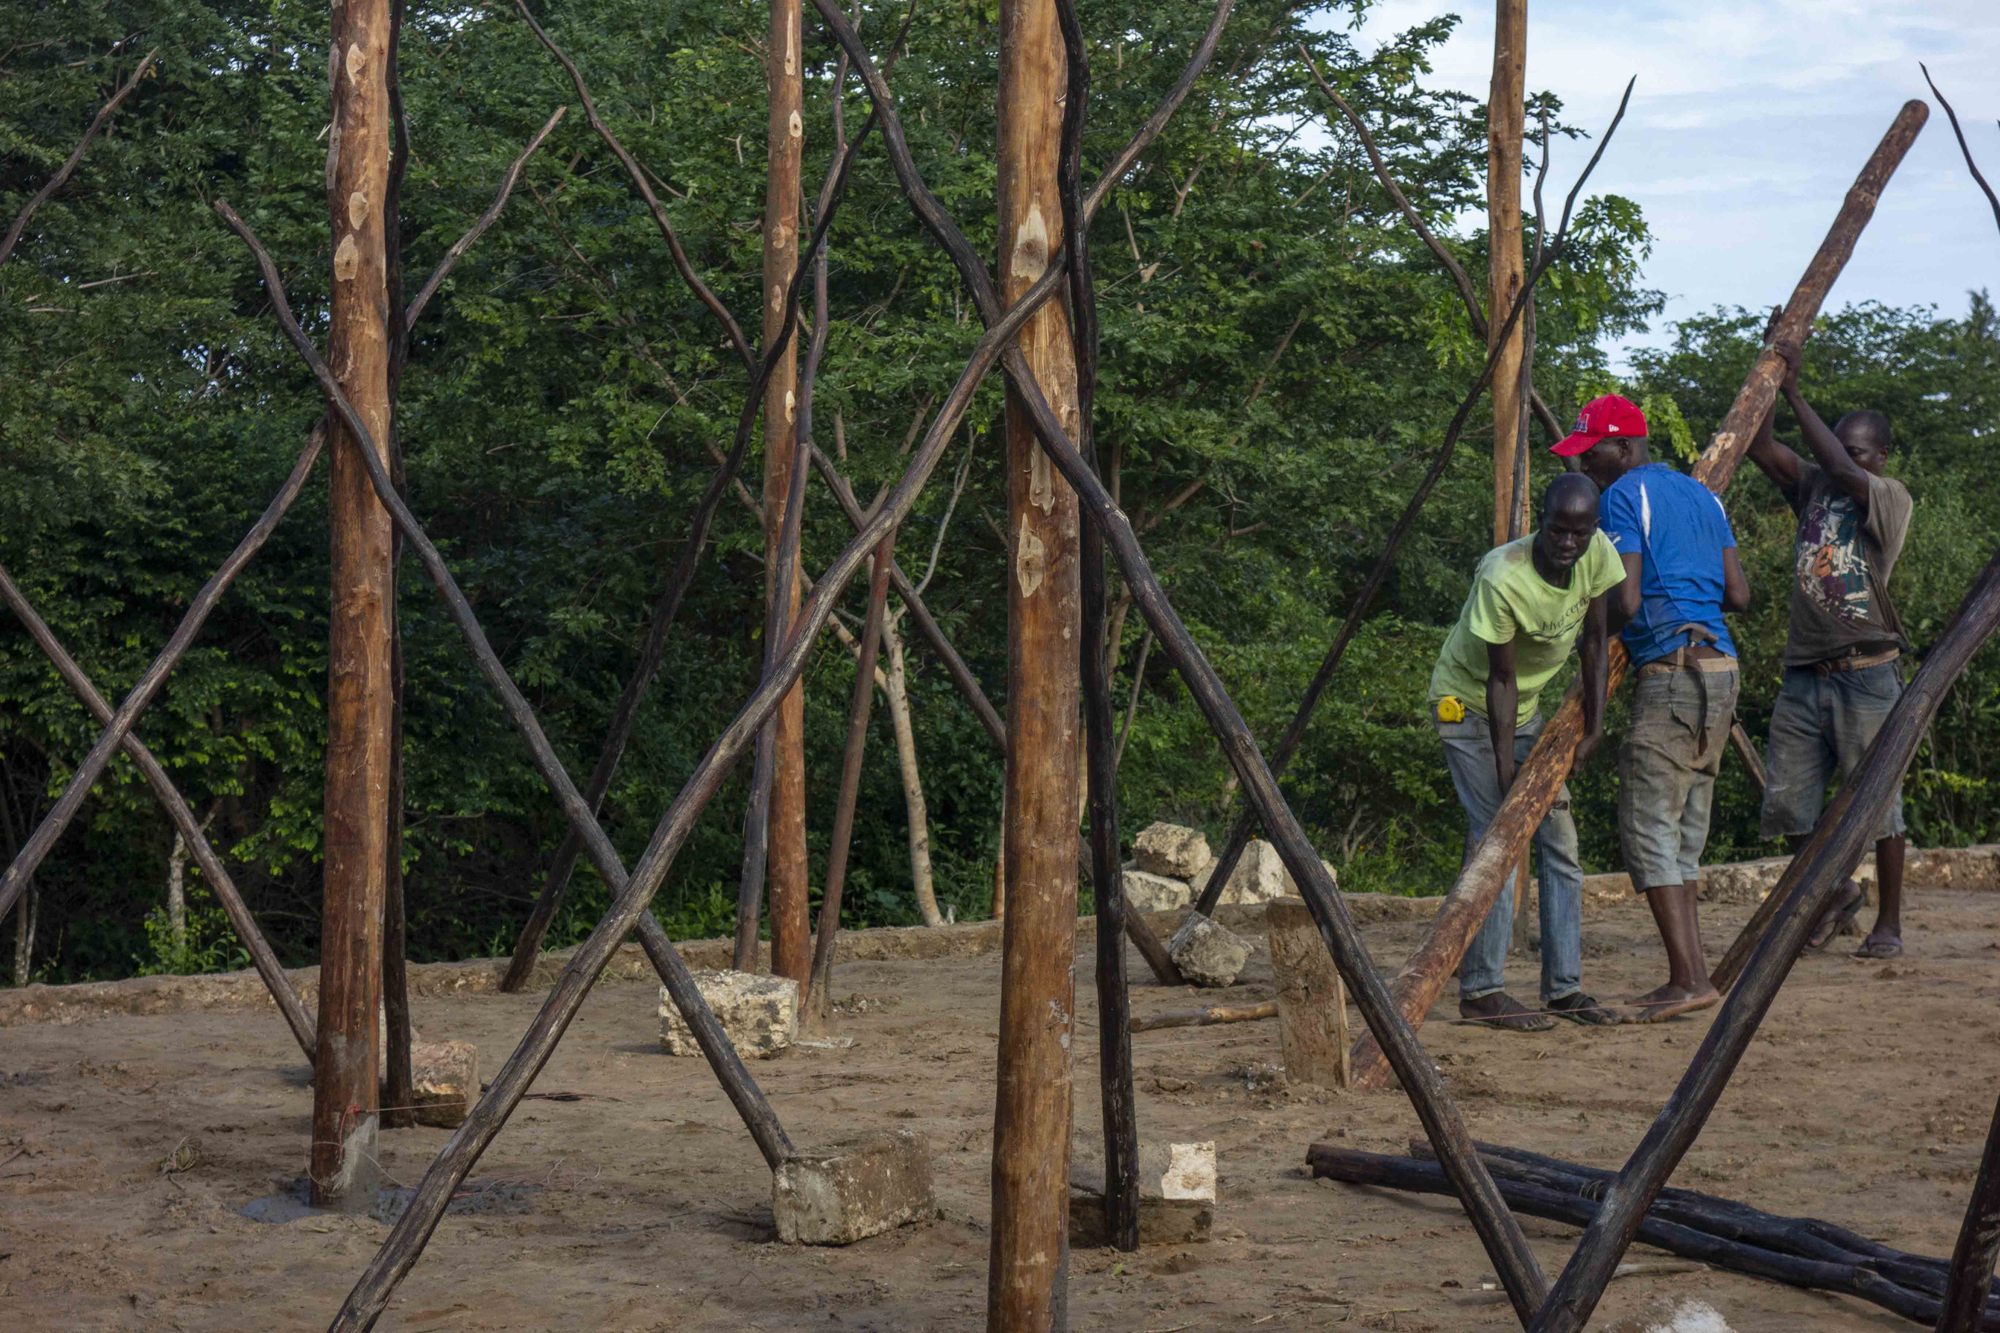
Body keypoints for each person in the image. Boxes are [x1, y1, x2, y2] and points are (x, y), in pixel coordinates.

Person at [1562, 394, 1751, 1021]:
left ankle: (1688, 978)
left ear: (1622, 448)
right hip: (1721, 670)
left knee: (1648, 828)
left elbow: (1628, 601)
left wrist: (1587, 634)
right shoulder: (1704, 496)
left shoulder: (1622, 495)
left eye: (1591, 454)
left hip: (1671, 672)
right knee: (1684, 834)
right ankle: (1693, 977)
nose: (1585, 468)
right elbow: (1739, 594)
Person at [1427, 473, 1625, 1030]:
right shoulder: (1502, 575)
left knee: (1561, 842)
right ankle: (1482, 991)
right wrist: (1505, 767)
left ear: (1593, 530)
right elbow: (1500, 680)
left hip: (1528, 710)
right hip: (1469, 706)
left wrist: (1593, 728)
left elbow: (1595, 640)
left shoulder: (1597, 555)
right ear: (1542, 522)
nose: (1568, 543)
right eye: (1558, 530)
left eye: (1579, 533)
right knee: (1499, 837)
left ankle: (1564, 989)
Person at [1747, 333, 1913, 958]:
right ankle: (1839, 891)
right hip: (1804, 671)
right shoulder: (1814, 485)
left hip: (1867, 671)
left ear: (1881, 457)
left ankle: (1889, 924)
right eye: (1840, 445)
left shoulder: (1889, 497)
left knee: (1881, 807)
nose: (1845, 457)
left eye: (1858, 450)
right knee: (1787, 804)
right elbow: (1760, 446)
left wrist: (1794, 391)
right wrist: (1768, 374)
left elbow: (1841, 469)